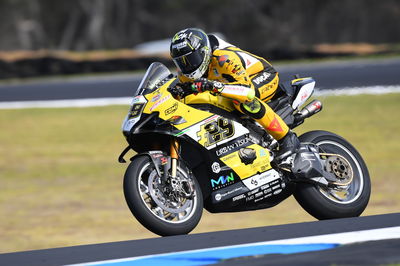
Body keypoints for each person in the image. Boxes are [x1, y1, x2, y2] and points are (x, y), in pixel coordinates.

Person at [170, 28, 300, 161]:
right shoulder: (184, 73)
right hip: (229, 84)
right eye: (181, 62)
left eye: (191, 59)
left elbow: (246, 91)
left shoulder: (224, 58)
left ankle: (286, 138)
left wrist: (213, 85)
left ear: (204, 51)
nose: (187, 65)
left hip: (261, 76)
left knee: (241, 102)